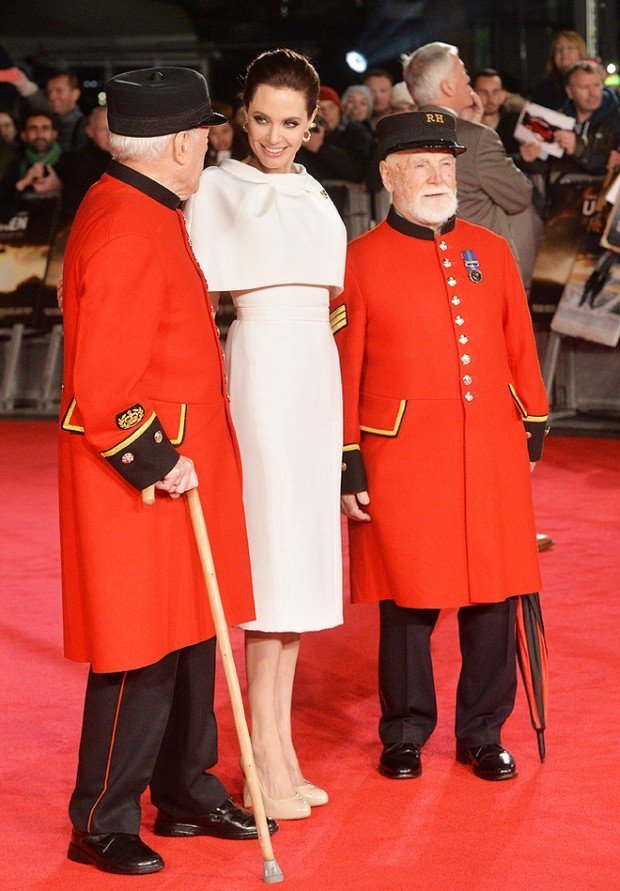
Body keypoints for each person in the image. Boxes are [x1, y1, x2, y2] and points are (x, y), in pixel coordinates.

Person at [59, 66, 274, 876]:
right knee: (139, 645)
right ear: (182, 143)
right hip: (144, 472)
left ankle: (184, 787)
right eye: (206, 136)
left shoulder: (143, 205)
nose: (209, 148)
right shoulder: (127, 224)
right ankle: (102, 816)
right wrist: (155, 458)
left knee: (191, 631)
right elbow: (101, 386)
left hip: (180, 461)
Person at [332, 111, 548, 784]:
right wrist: (347, 458)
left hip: (489, 445)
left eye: (446, 165)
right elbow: (344, 366)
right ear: (389, 175)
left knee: (494, 594)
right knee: (408, 599)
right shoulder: (358, 260)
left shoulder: (490, 248)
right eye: (421, 165)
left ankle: (483, 732)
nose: (437, 177)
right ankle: (404, 732)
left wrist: (532, 421)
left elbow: (518, 343)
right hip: (401, 456)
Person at [185, 48, 347, 820]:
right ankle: (259, 760)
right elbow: (196, 304)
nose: (275, 136)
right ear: (241, 116)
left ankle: (282, 749)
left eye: (291, 122)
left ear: (312, 123)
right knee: (271, 566)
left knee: (299, 572)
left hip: (315, 377)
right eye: (261, 119)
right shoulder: (216, 189)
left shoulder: (315, 192)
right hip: (262, 379)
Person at [403, 42, 534, 274]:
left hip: (423, 268)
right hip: (478, 268)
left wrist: (470, 125)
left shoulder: (400, 136)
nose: (468, 80)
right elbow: (519, 195)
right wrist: (475, 130)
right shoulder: (477, 138)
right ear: (448, 86)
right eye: (463, 72)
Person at [296, 85, 374, 184]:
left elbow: (357, 172)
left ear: (339, 109)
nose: (327, 113)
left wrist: (320, 148)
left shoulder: (356, 132)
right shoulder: (305, 135)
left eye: (331, 107)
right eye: (320, 108)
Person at [12, 68, 89, 152]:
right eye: (49, 92)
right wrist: (23, 85)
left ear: (75, 94)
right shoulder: (47, 116)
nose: (52, 97)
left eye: (59, 91)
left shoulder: (84, 127)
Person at [532, 30, 587, 111]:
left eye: (570, 48)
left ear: (580, 53)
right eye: (559, 49)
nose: (564, 52)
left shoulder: (592, 82)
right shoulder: (543, 88)